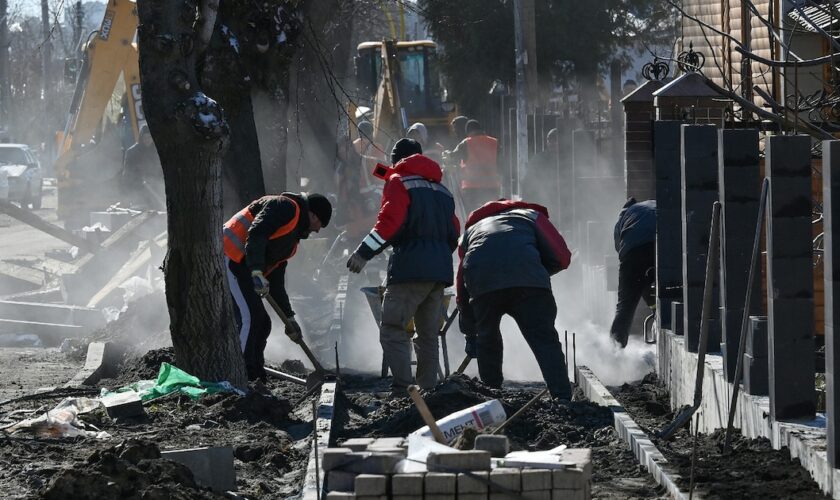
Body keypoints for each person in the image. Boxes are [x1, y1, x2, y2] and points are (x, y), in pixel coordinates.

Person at [346, 138, 460, 394]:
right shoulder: (442, 190)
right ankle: (428, 390)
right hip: (439, 274)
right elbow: (454, 231)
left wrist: (363, 252)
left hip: (409, 269)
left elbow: (389, 223)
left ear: (397, 160)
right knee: (428, 335)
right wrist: (436, 258)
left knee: (393, 328)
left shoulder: (398, 182)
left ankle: (402, 389)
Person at [457, 199, 573, 400]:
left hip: (483, 284)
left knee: (487, 339)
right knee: (544, 340)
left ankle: (492, 397)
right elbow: (562, 257)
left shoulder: (470, 232)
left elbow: (462, 283)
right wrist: (536, 271)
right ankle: (562, 397)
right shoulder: (531, 216)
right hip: (529, 285)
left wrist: (470, 333)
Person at [224, 192, 333, 381]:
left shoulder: (291, 243)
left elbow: (276, 282)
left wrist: (289, 317)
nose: (317, 230)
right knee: (251, 317)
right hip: (229, 258)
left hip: (244, 266)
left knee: (263, 323)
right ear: (313, 215)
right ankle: (238, 375)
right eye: (319, 225)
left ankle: (255, 374)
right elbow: (257, 232)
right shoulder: (285, 207)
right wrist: (257, 271)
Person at [610, 198, 657, 348]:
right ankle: (659, 311)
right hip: (662, 246)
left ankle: (616, 350)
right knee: (668, 293)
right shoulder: (652, 204)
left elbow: (620, 249)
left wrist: (634, 282)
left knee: (625, 305)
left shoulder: (624, 217)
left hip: (633, 254)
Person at [447, 119, 502, 213]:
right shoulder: (494, 142)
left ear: (468, 131)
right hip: (491, 186)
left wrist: (447, 154)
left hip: (471, 188)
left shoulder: (466, 143)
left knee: (473, 214)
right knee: (492, 214)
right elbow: (501, 162)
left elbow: (453, 156)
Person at [121, 124, 164, 209]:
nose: (147, 140)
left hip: (156, 191)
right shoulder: (132, 152)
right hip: (138, 191)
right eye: (145, 137)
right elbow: (127, 174)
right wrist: (127, 193)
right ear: (141, 138)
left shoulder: (157, 151)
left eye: (150, 137)